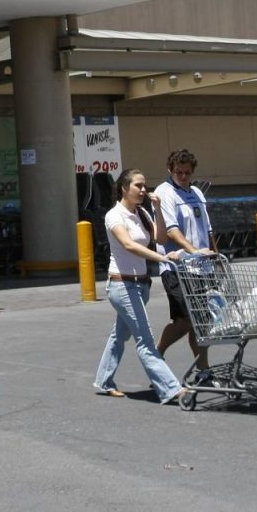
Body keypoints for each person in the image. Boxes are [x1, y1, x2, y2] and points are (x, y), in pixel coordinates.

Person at [93, 169, 187, 403]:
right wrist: (161, 258)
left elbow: (162, 239)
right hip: (122, 285)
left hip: (141, 284)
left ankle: (103, 380)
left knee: (119, 335)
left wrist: (157, 210)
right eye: (138, 186)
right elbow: (128, 245)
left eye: (144, 186)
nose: (143, 190)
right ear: (124, 188)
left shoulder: (142, 213)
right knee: (145, 339)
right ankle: (170, 388)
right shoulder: (115, 215)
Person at [153, 149, 216, 378]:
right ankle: (157, 352)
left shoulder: (197, 192)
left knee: (202, 320)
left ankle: (203, 368)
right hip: (176, 268)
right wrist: (195, 252)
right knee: (186, 319)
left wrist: (214, 256)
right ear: (170, 170)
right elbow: (172, 231)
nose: (182, 176)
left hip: (202, 268)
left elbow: (207, 229)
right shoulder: (165, 192)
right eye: (178, 172)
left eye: (187, 173)